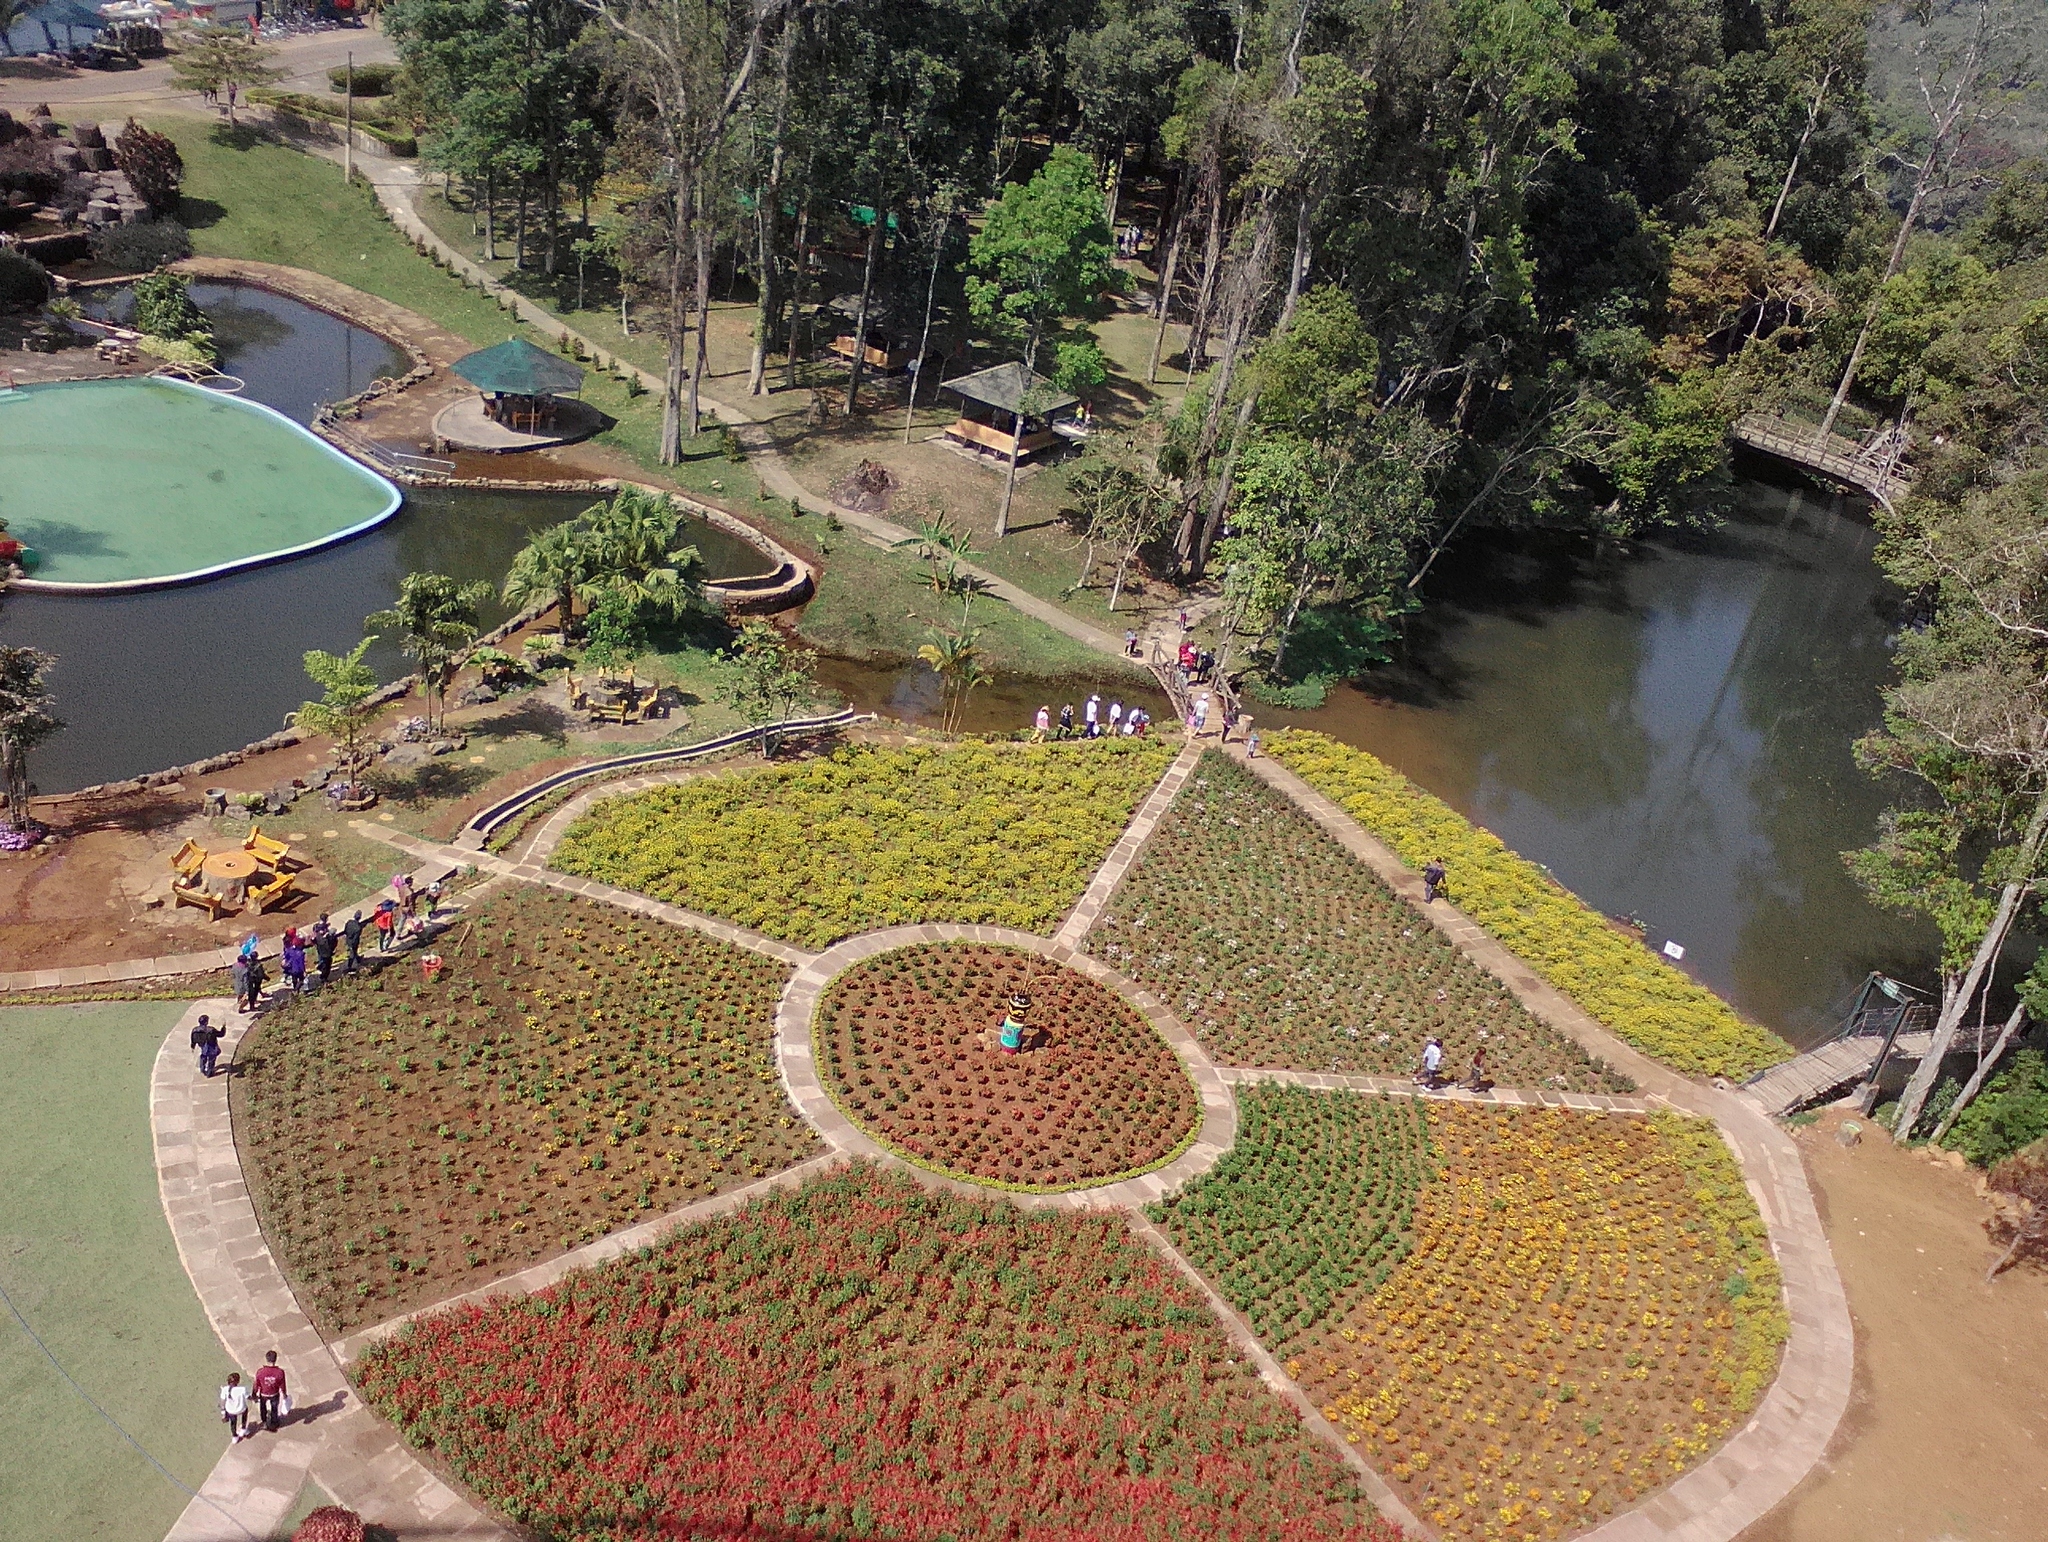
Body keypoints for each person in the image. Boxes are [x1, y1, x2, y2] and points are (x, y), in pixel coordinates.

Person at [252, 1351, 288, 1433]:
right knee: (274, 1408)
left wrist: (254, 1394)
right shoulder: (280, 1372)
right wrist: (284, 1393)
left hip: (263, 1393)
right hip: (274, 1393)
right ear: (275, 1359)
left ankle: (264, 1422)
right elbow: (282, 1385)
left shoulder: (260, 1372)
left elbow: (256, 1384)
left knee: (263, 1407)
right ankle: (274, 1422)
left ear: (266, 1359)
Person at [220, 1372, 251, 1443]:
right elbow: (249, 1397)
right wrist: (256, 1398)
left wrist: (223, 1412)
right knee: (245, 1410)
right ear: (238, 1381)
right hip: (241, 1409)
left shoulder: (225, 1389)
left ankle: (234, 1437)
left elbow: (222, 1402)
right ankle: (243, 1429)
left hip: (230, 1411)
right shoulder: (242, 1389)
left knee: (233, 1423)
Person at [191, 1014, 223, 1078]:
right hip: (212, 1046)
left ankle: (202, 1069)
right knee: (211, 1059)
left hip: (203, 1046)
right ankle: (209, 1073)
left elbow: (193, 1039)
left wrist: (193, 1046)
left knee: (203, 1056)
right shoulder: (211, 1030)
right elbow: (221, 1034)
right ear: (206, 1022)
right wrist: (223, 1028)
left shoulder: (195, 1030)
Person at [312, 917, 336, 986]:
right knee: (327, 967)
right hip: (327, 955)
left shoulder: (319, 937)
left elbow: (314, 940)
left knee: (322, 960)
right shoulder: (328, 941)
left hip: (321, 952)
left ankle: (320, 966)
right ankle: (323, 978)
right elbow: (331, 947)